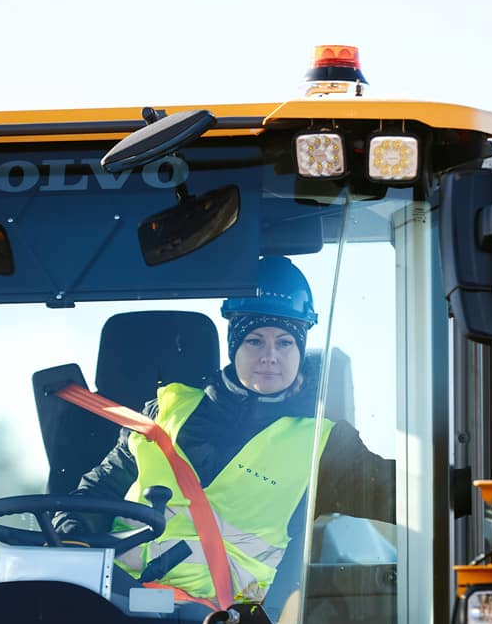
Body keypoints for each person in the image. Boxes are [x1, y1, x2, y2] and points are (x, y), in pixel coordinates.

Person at [56, 256, 394, 606]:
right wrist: (71, 536)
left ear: (300, 348)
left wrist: (454, 478)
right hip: (118, 605)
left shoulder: (323, 446)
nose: (269, 356)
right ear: (234, 344)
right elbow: (97, 491)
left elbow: (405, 496)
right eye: (254, 341)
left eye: (284, 342)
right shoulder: (164, 411)